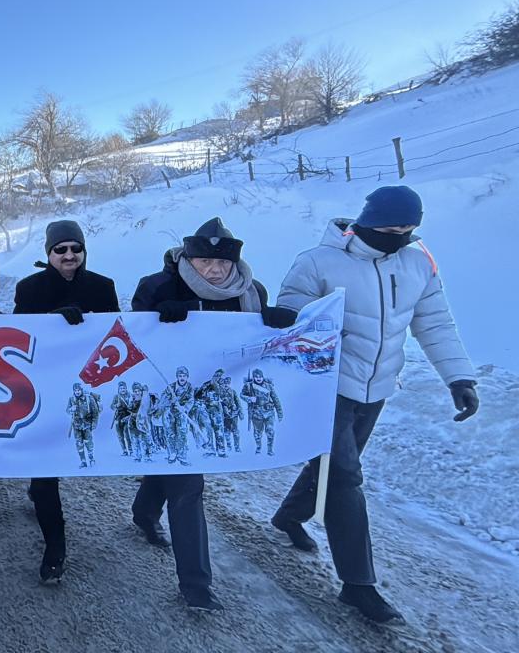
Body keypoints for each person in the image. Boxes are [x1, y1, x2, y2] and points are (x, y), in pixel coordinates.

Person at [271, 186, 479, 624]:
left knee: (332, 466)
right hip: (325, 387)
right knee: (345, 477)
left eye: (408, 229)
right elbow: (290, 315)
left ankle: (289, 517)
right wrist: (296, 324)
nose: (399, 237)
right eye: (390, 229)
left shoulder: (418, 263)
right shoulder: (318, 262)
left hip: (377, 387)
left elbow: (435, 323)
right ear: (368, 222)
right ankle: (358, 585)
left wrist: (458, 377)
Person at [129, 216, 296, 612]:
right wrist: (157, 318)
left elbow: (255, 345)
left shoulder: (251, 291)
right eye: (205, 262)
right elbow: (134, 340)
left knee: (173, 473)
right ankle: (196, 585)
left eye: (223, 263)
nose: (216, 270)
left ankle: (144, 512)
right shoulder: (157, 286)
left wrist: (273, 324)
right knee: (188, 484)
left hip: (219, 397)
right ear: (188, 259)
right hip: (171, 398)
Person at [12, 220, 119, 583]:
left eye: (76, 248)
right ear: (49, 253)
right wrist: (50, 323)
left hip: (87, 387)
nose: (69, 255)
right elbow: (18, 336)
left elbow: (115, 335)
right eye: (61, 249)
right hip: (43, 386)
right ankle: (54, 547)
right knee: (46, 469)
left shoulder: (103, 286)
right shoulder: (29, 288)